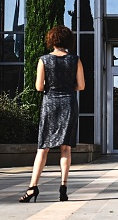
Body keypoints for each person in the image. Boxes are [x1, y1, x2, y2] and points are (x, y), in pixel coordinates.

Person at [19, 25, 85, 203]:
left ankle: (33, 187)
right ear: (68, 41)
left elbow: (39, 87)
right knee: (66, 147)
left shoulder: (44, 60)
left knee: (43, 147)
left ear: (52, 40)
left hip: (51, 104)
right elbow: (81, 86)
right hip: (69, 103)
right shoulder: (75, 60)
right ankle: (63, 187)